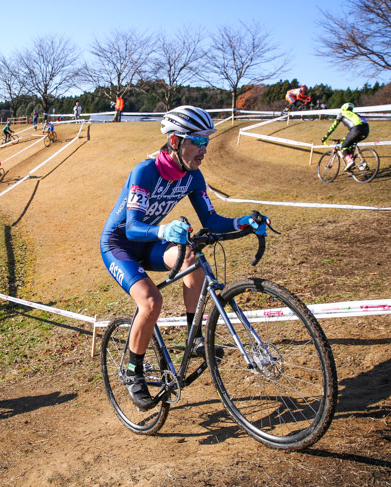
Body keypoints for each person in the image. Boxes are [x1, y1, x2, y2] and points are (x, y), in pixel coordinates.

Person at [100, 105, 267, 410]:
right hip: (120, 245)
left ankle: (196, 337)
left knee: (192, 256)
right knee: (150, 302)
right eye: (198, 141)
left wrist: (242, 222)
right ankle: (133, 371)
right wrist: (164, 230)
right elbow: (134, 228)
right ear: (175, 141)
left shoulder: (193, 176)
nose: (205, 149)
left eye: (207, 141)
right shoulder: (145, 172)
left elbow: (212, 220)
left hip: (150, 242)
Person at [321, 102, 370, 172]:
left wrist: (326, 136)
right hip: (366, 129)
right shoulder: (355, 114)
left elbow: (333, 126)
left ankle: (350, 161)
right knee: (350, 143)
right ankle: (362, 162)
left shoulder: (342, 114)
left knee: (344, 145)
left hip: (356, 129)